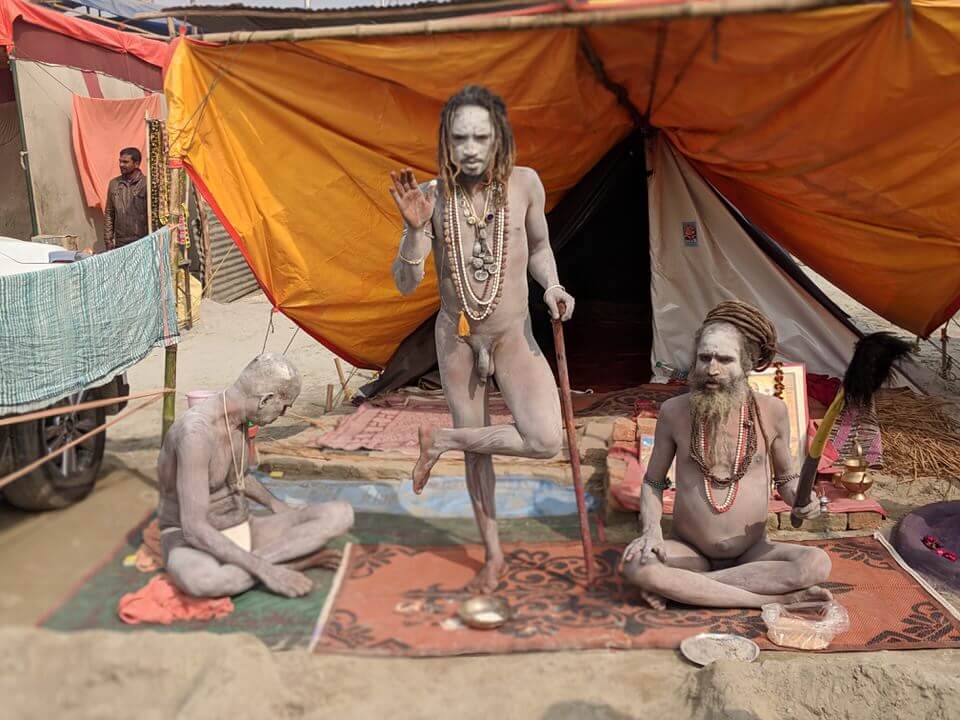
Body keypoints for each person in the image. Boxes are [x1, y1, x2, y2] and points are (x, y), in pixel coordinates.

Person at [389, 85, 575, 592]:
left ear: (500, 139)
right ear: (446, 143)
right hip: (457, 338)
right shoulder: (430, 197)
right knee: (481, 451)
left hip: (514, 335)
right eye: (458, 138)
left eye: (480, 137)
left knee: (544, 439)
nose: (469, 148)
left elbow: (539, 247)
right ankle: (492, 556)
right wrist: (413, 233)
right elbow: (405, 283)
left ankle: (442, 440)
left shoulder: (526, 184)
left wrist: (553, 286)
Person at [621, 301, 831, 609]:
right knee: (636, 564)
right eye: (704, 358)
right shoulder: (674, 412)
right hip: (688, 552)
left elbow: (787, 480)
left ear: (747, 363)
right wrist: (651, 532)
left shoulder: (772, 412)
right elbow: (653, 482)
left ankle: (687, 590)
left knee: (816, 563)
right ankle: (773, 600)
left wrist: (802, 500)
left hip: (754, 553)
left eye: (725, 359)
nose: (712, 369)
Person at [156, 353, 354, 598]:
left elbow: (238, 476)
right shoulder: (195, 435)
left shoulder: (237, 422)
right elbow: (194, 528)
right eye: (284, 407)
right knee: (206, 583)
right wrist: (268, 572)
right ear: (266, 399)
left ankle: (257, 564)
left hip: (245, 528)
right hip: (192, 542)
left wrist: (276, 504)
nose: (282, 415)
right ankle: (283, 563)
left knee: (340, 514)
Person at [103, 147, 148, 251]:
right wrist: (108, 240)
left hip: (142, 241)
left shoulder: (146, 184)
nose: (121, 165)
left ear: (136, 164)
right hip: (120, 243)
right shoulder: (114, 184)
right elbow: (109, 213)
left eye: (125, 162)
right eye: (120, 161)